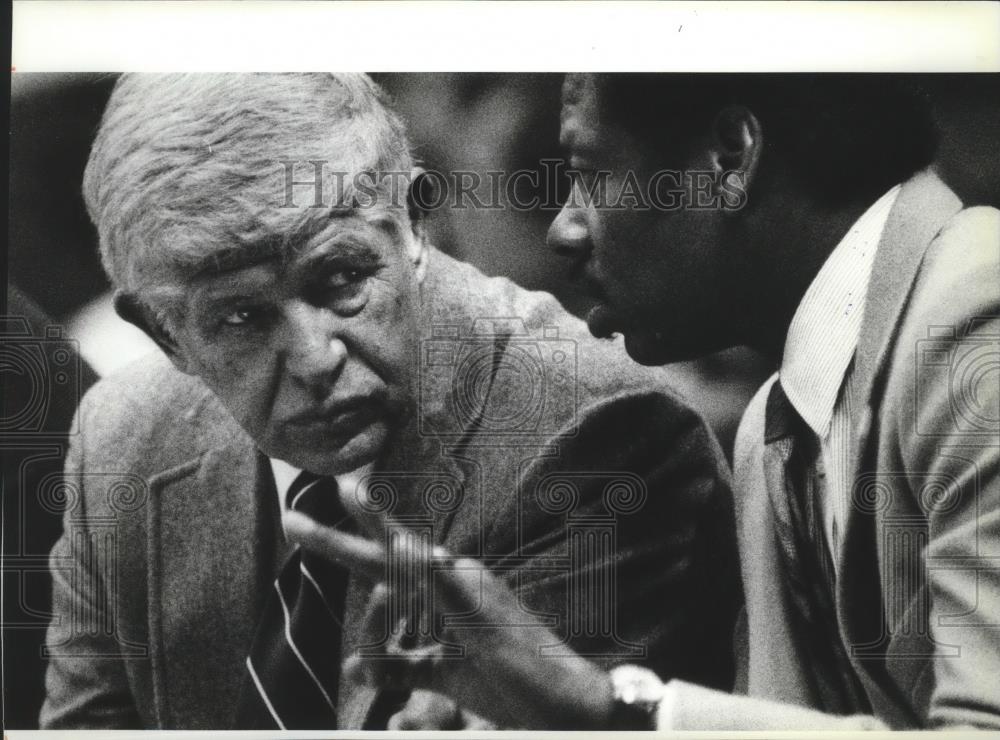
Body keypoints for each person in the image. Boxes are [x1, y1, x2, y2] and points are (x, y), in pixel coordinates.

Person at [293, 73, 1000, 729]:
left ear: (730, 156)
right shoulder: (772, 432)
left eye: (588, 175)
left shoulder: (977, 311)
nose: (562, 229)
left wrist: (613, 709)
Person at [39, 73, 742, 729]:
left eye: (342, 278)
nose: (317, 358)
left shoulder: (601, 434)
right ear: (165, 334)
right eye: (241, 319)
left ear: (413, 221)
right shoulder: (120, 436)